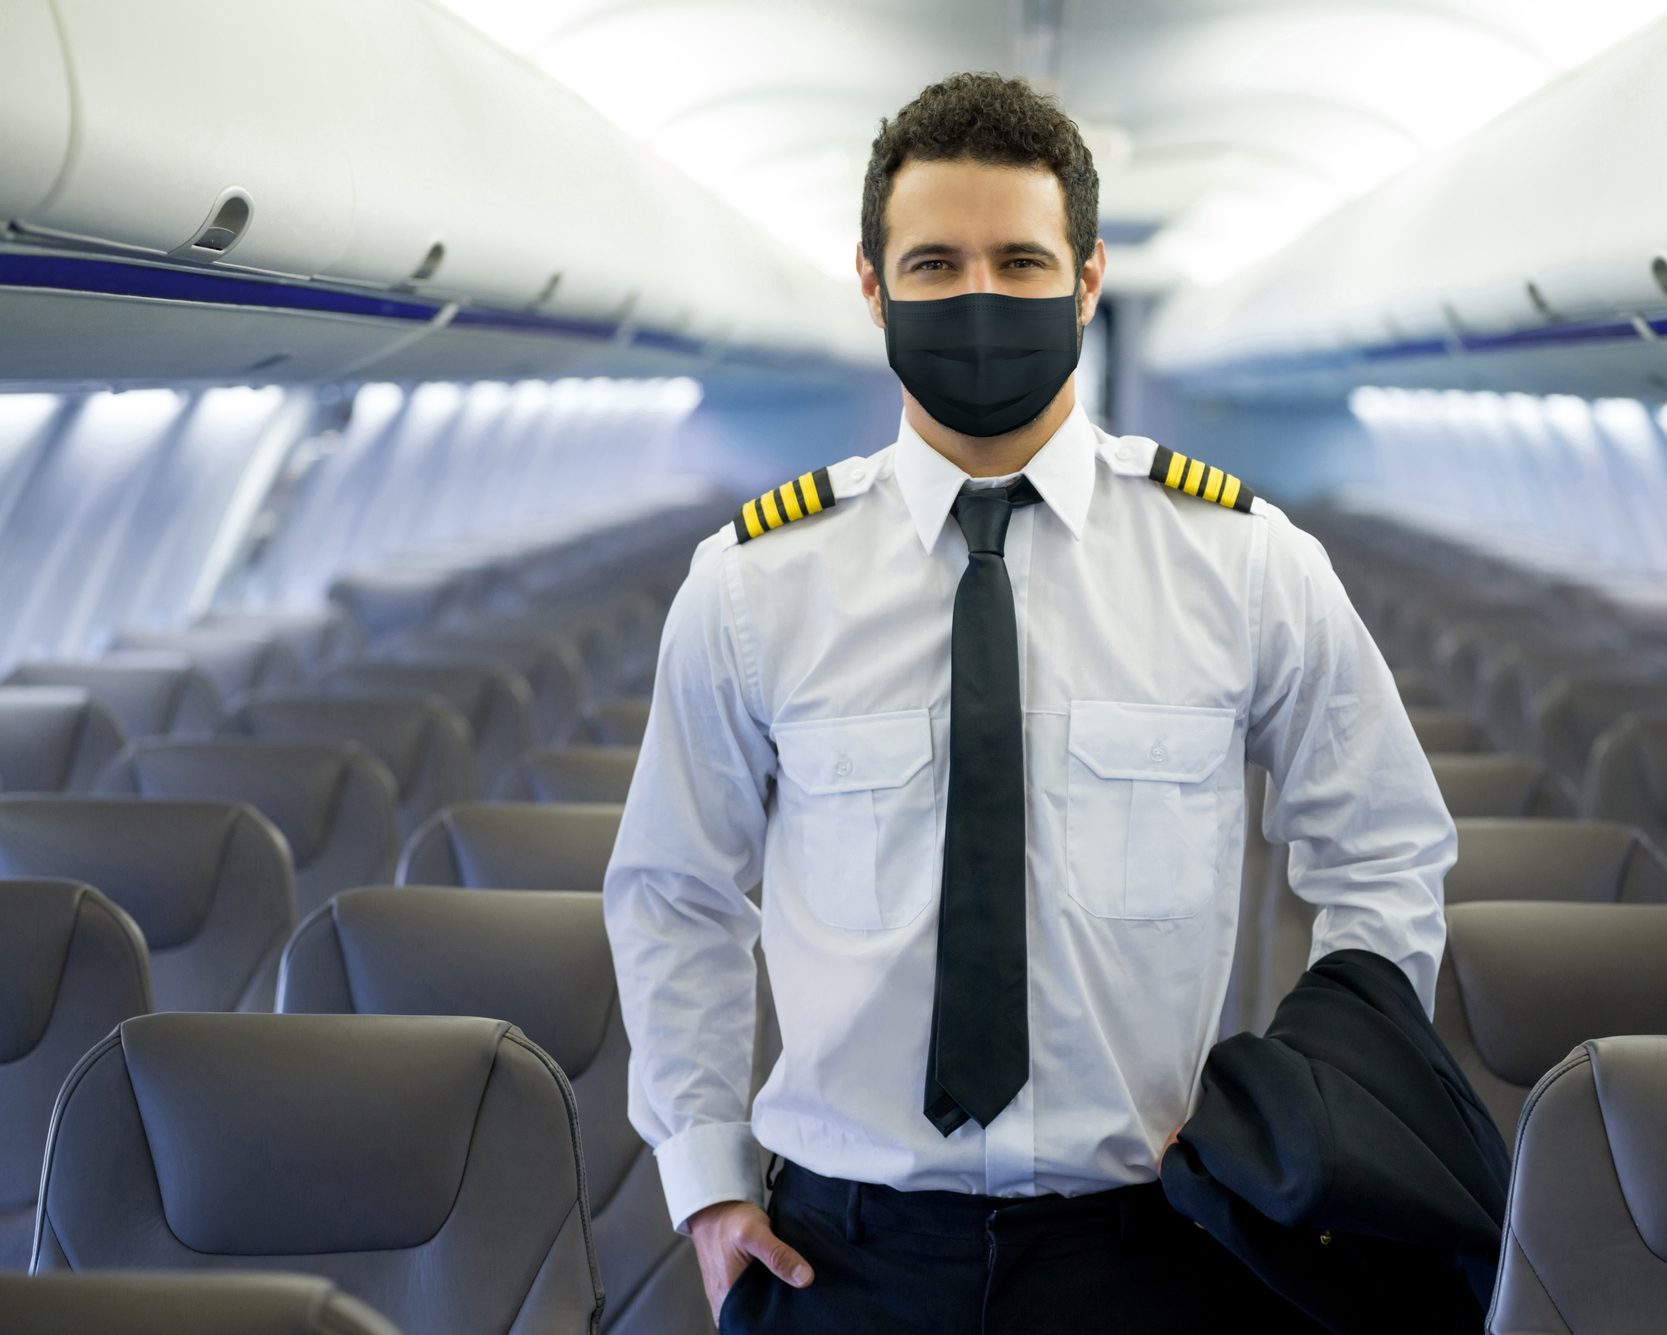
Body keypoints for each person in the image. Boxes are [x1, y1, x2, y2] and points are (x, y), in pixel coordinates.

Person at [605, 72, 1457, 1334]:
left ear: (1088, 277)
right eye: (935, 265)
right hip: (838, 1250)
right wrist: (705, 1179)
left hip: (1151, 1244)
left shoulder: (1242, 564)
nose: (980, 299)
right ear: (870, 282)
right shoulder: (752, 587)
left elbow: (1384, 849)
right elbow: (675, 891)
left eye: (1018, 260)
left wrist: (1310, 1125)